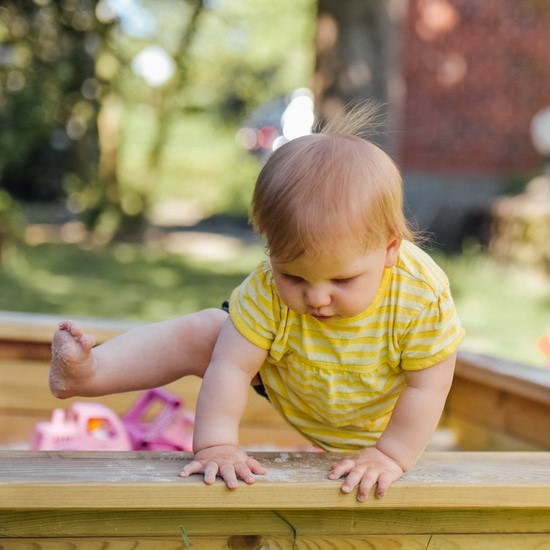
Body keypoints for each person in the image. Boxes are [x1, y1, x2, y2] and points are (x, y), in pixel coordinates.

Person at [50, 104, 464, 501]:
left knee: (408, 406)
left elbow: (429, 385)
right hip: (296, 377)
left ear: (390, 250)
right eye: (294, 276)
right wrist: (216, 445)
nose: (317, 298)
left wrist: (390, 455)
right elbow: (231, 367)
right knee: (209, 332)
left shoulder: (418, 295)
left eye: (342, 279)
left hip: (381, 416)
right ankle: (90, 373)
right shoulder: (266, 287)